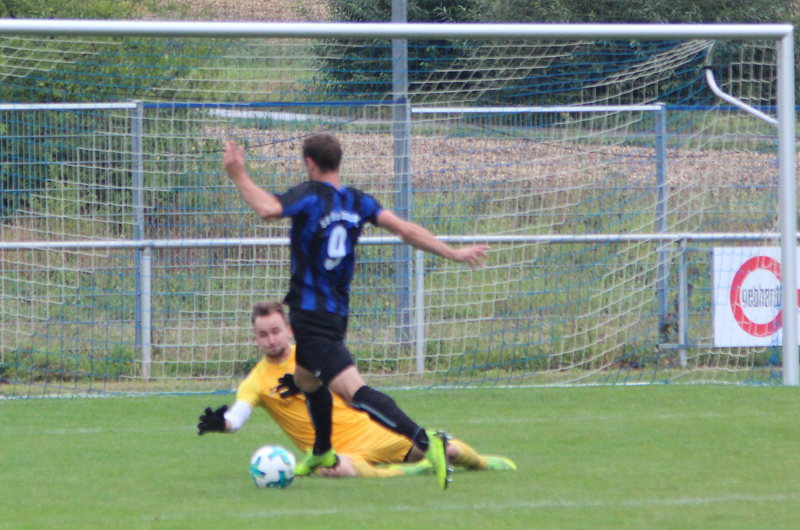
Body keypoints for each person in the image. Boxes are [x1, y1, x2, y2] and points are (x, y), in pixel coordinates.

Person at [222, 133, 490, 490]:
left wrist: (237, 174)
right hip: (335, 312)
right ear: (339, 162)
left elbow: (267, 209)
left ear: (309, 163)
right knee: (306, 381)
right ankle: (322, 449)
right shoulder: (357, 200)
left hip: (310, 312)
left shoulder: (311, 194)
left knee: (352, 391)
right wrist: (454, 253)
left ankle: (426, 442)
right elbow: (406, 231)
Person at [197, 301, 516, 478]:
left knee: (450, 451)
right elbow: (237, 417)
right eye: (263, 334)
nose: (271, 339)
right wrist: (222, 424)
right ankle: (414, 472)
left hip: (371, 432)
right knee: (334, 471)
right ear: (256, 338)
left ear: (289, 330)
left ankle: (486, 464)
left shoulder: (312, 354)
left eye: (276, 331)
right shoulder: (255, 381)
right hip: (334, 451)